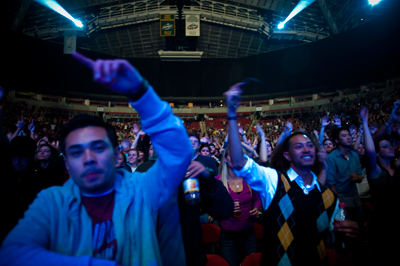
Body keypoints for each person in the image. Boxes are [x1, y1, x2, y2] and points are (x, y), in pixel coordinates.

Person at [0, 52, 192, 266]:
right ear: (66, 165)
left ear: (117, 155)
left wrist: (141, 93)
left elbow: (177, 154)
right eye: (76, 152)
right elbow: (12, 253)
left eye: (98, 148)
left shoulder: (143, 189)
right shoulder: (52, 201)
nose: (88, 158)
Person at [223, 83, 360, 265]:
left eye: (310, 145)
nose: (306, 149)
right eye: (299, 146)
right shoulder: (274, 181)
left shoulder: (329, 197)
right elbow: (240, 163)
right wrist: (232, 114)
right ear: (287, 155)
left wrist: (349, 237)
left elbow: (341, 249)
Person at [215, 149, 261, 266]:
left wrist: (256, 208)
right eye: (231, 155)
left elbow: (256, 198)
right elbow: (213, 207)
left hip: (248, 235)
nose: (235, 158)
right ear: (225, 159)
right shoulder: (219, 181)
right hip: (228, 237)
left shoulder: (249, 179)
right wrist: (226, 209)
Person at [326, 127, 364, 227]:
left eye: (348, 135)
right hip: (342, 202)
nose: (348, 137)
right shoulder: (331, 158)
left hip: (356, 201)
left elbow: (360, 176)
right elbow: (330, 183)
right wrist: (339, 205)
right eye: (344, 136)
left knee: (359, 229)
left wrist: (357, 177)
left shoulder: (354, 155)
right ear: (337, 140)